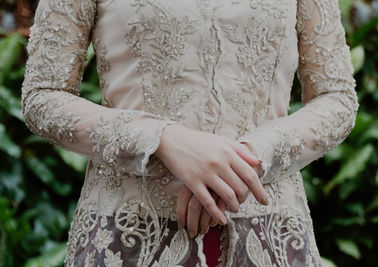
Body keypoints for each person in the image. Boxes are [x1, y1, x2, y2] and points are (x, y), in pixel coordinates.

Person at [20, 0, 358, 266]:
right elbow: (43, 96)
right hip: (130, 236)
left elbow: (338, 98)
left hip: (268, 234)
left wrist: (248, 158)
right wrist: (160, 139)